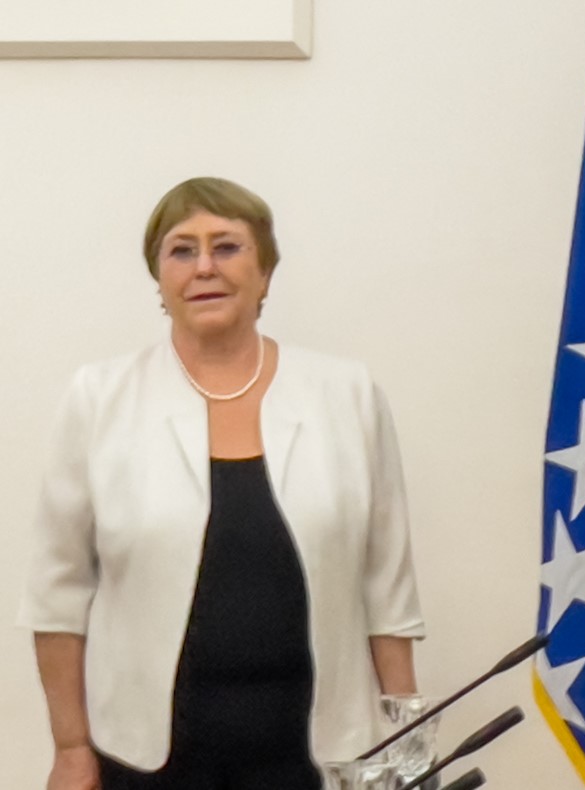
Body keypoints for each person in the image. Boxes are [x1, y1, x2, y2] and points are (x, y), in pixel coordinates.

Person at [19, 177, 425, 789]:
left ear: (264, 272)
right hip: (143, 759)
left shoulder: (349, 395)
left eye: (227, 247)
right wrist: (72, 747)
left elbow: (387, 586)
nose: (204, 266)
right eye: (181, 250)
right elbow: (58, 593)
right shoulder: (99, 398)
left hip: (316, 757)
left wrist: (406, 744)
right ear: (160, 281)